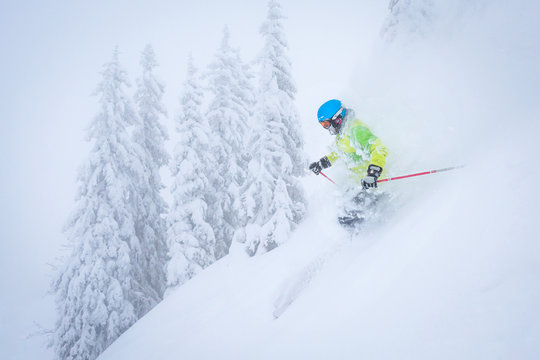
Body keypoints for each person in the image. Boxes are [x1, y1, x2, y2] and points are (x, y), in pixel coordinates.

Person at [309, 99, 389, 226]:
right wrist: (321, 164)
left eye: (326, 124)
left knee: (347, 219)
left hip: (373, 185)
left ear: (337, 118)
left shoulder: (356, 130)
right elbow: (338, 152)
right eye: (323, 125)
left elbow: (378, 148)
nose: (326, 128)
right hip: (359, 184)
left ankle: (375, 240)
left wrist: (373, 174)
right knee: (344, 216)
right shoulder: (343, 133)